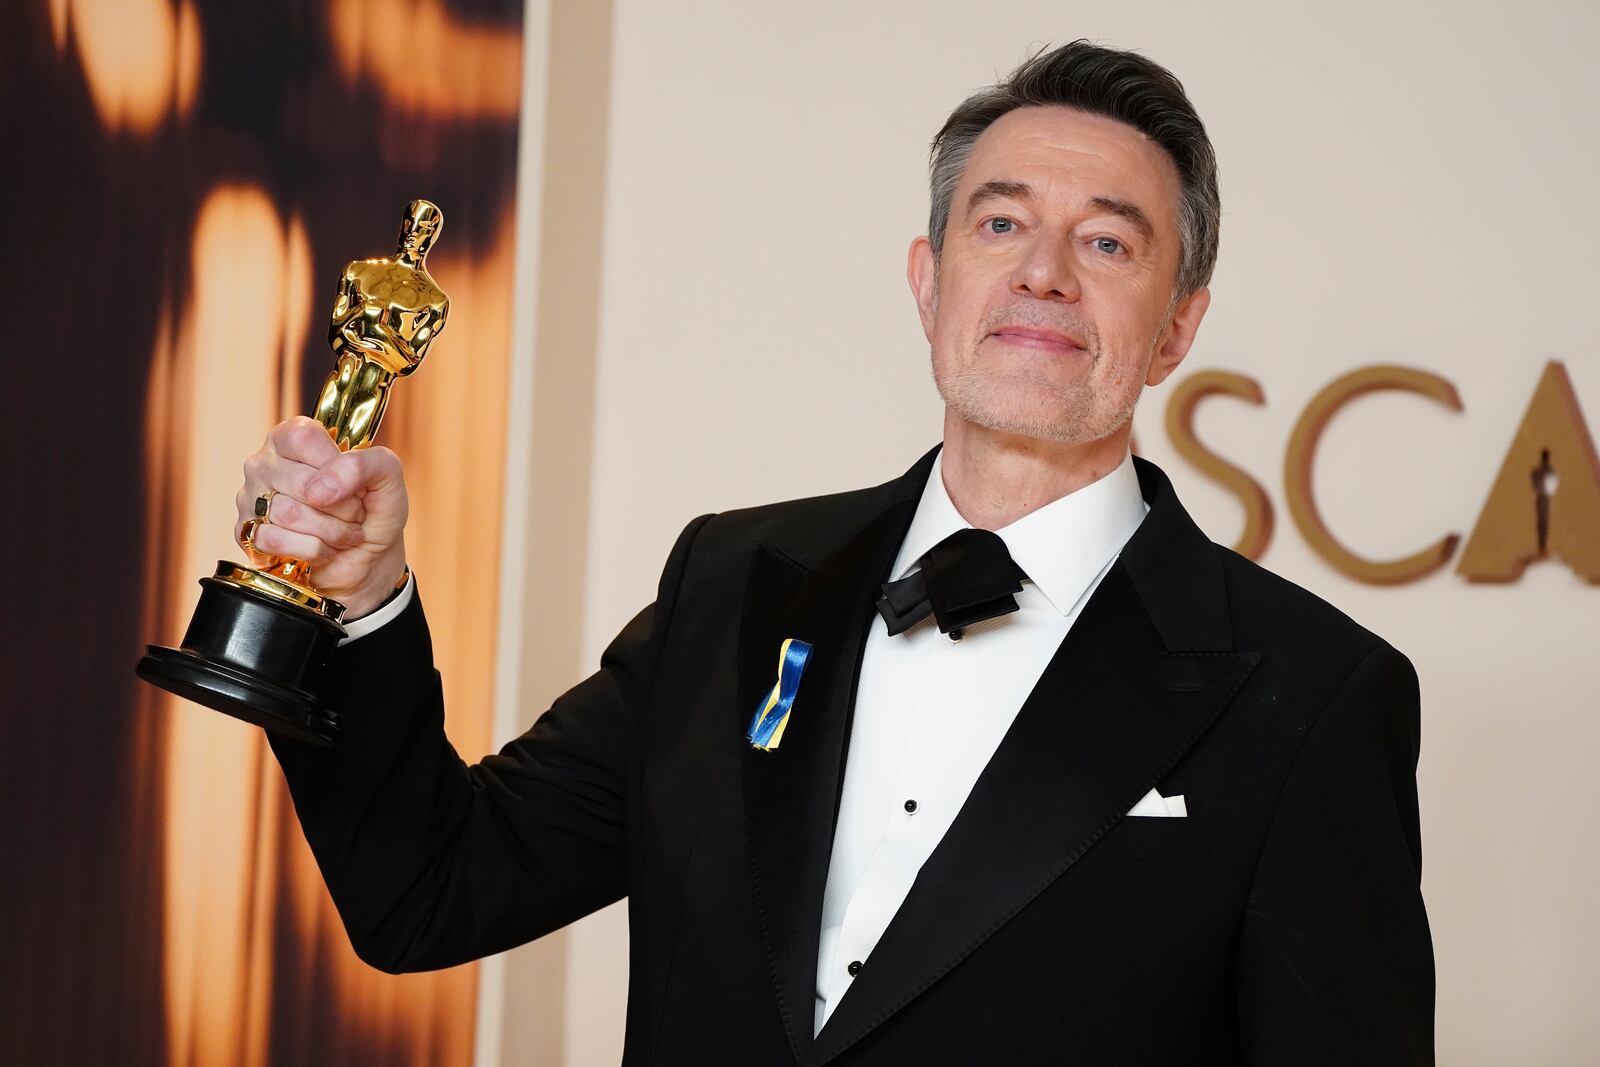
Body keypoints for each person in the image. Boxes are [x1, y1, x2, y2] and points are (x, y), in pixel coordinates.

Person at [239, 41, 1435, 1064]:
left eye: (1109, 244)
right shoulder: (731, 581)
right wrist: (358, 602)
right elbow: (432, 889)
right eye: (1001, 220)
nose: (1041, 272)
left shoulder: (1316, 696)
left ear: (1178, 324)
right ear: (929, 280)